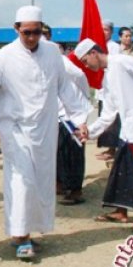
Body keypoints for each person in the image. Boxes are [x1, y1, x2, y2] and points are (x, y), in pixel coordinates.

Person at [0, 6, 88, 261]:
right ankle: (20, 236)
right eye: (26, 32)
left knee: (40, 181)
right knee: (21, 181)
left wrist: (80, 118)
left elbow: (65, 87)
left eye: (36, 32)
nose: (31, 37)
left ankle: (30, 230)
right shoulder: (4, 56)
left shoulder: (52, 52)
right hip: (14, 128)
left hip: (44, 128)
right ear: (16, 29)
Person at [76, 39, 133, 226]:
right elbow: (108, 113)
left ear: (94, 53)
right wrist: (89, 132)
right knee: (123, 168)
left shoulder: (121, 61)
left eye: (85, 61)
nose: (86, 66)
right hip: (130, 129)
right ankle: (122, 211)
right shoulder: (107, 78)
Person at [55, 52, 92, 205]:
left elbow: (80, 75)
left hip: (73, 112)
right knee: (58, 150)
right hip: (56, 113)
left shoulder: (59, 60)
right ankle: (61, 183)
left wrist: (84, 94)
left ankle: (75, 190)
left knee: (74, 151)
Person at [96, 20, 122, 160]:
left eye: (106, 30)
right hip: (101, 88)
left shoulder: (114, 47)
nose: (103, 32)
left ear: (111, 32)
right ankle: (107, 147)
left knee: (112, 121)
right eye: (101, 29)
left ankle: (113, 149)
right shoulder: (97, 46)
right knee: (103, 117)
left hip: (111, 87)